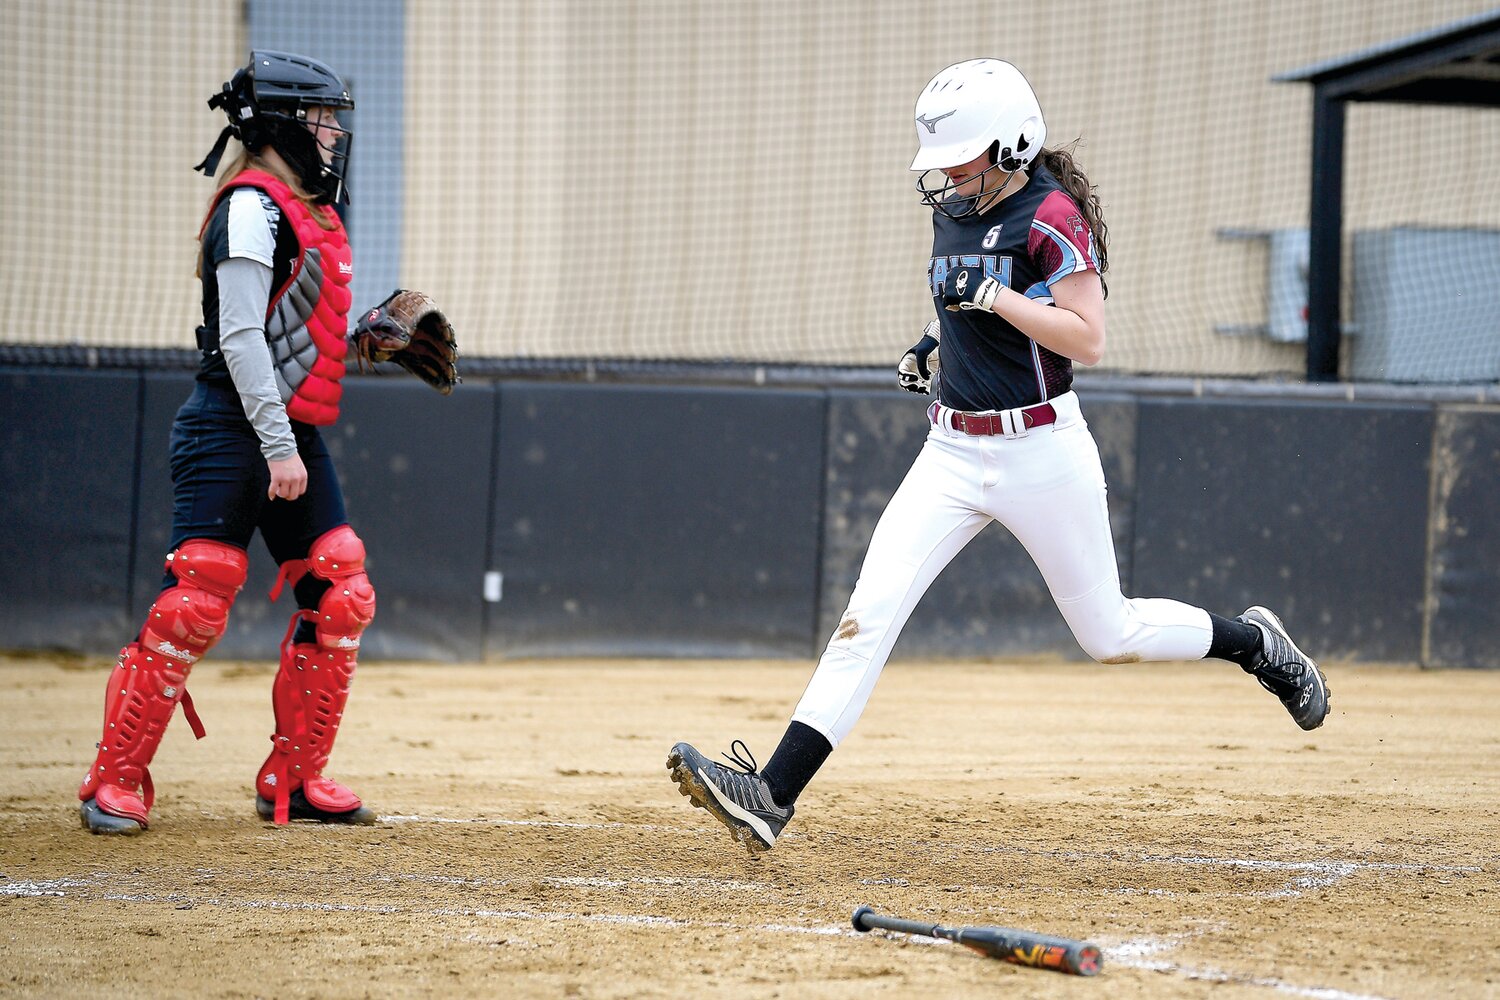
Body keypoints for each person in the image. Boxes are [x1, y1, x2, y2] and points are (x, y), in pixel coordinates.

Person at [667, 58, 1330, 856]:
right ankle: (772, 796)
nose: (948, 174)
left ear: (1013, 144)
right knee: (865, 618)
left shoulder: (1051, 215)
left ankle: (1255, 645)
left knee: (1108, 632)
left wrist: (1001, 300)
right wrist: (933, 343)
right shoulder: (957, 209)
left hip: (1041, 448)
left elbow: (1088, 335)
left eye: (964, 155)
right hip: (951, 448)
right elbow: (966, 304)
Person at [79, 51, 378, 834]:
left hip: (288, 429)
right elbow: (243, 341)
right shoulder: (251, 206)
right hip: (231, 425)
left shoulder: (305, 207)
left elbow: (294, 330)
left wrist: (368, 343)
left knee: (340, 593)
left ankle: (297, 777)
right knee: (195, 604)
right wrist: (279, 448)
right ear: (281, 121)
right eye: (321, 118)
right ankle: (113, 780)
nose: (334, 133)